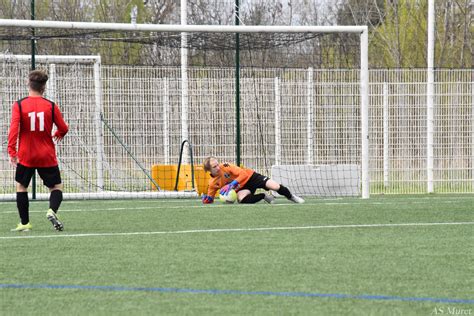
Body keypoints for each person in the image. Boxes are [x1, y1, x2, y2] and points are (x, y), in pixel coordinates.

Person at [8, 69, 69, 232]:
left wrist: (12, 152)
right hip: (46, 154)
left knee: (21, 186)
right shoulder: (51, 105)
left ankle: (25, 223)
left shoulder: (19, 105)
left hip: (26, 155)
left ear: (29, 84)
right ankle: (51, 210)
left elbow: (14, 129)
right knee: (56, 187)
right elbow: (64, 127)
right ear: (44, 87)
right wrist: (59, 134)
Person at [201, 156, 304, 204]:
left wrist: (232, 184)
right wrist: (207, 199)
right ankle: (263, 196)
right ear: (209, 170)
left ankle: (291, 197)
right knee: (242, 200)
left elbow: (243, 174)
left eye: (217, 164)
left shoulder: (226, 166)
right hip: (243, 187)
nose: (218, 167)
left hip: (252, 177)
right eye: (214, 167)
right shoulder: (212, 183)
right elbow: (210, 198)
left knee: (275, 186)